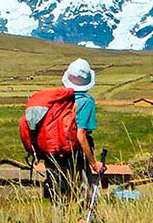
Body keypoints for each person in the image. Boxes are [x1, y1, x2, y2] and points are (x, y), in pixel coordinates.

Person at [41, 59, 107, 207]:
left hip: (53, 155)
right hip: (75, 156)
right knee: (83, 198)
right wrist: (93, 163)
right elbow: (80, 135)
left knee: (58, 197)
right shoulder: (86, 102)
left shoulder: (58, 100)